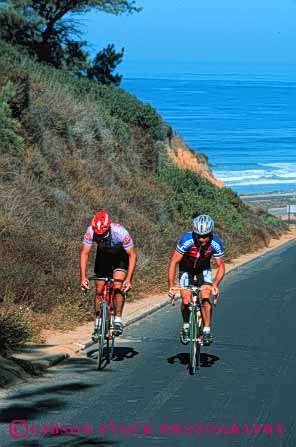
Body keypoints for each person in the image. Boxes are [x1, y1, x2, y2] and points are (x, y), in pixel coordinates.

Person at [168, 214, 225, 346]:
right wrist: (171, 285)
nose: (201, 239)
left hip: (203, 269)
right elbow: (173, 262)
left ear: (210, 233)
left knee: (205, 297)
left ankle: (206, 330)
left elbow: (221, 266)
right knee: (186, 300)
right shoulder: (186, 240)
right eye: (198, 235)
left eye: (205, 236)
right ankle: (186, 325)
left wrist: (215, 284)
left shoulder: (216, 243)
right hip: (186, 268)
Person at [80, 210, 137, 337]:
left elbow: (132, 255)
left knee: (118, 287)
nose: (99, 239)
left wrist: (128, 279)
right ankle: (98, 322)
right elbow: (84, 253)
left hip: (120, 257)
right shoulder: (90, 231)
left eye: (103, 236)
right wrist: (83, 277)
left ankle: (117, 319)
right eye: (98, 237)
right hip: (103, 257)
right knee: (99, 290)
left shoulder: (121, 233)